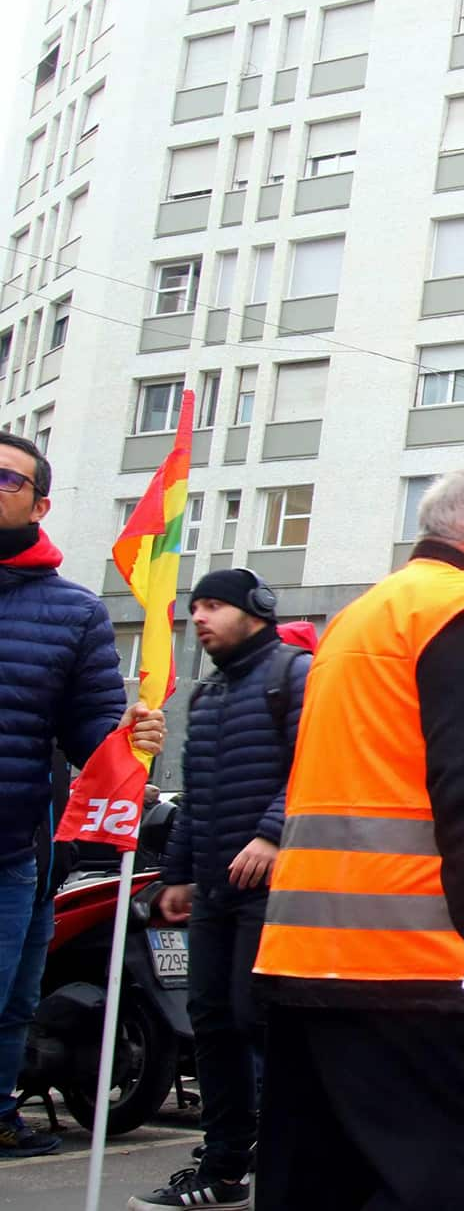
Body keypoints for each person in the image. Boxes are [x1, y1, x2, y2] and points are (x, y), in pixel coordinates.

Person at [249, 467, 464, 1210]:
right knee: (451, 1180)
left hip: (315, 967)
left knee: (317, 1189)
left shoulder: (364, 619)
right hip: (429, 976)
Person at [0, 431, 164, 1159]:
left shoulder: (73, 612)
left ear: (40, 503)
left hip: (16, 846)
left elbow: (93, 726)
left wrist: (131, 735)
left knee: (10, 1001)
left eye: (8, 480)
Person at [131, 569, 309, 1209]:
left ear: (256, 609)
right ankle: (224, 1166)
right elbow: (196, 799)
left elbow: (316, 765)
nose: (199, 617)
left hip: (279, 887)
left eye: (213, 606)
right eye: (195, 606)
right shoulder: (205, 698)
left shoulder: (296, 675)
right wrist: (177, 874)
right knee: (209, 1023)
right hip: (213, 889)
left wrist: (271, 833)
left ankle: (298, 1157)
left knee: (255, 1015)